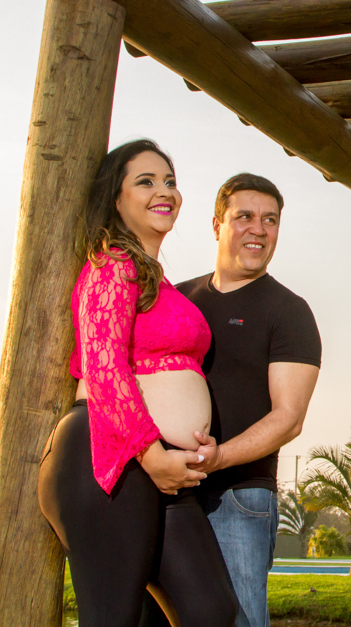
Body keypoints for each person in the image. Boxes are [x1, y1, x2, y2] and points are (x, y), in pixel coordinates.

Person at [38, 139, 237, 627]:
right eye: (146, 182)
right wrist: (153, 457)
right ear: (116, 197)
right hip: (113, 456)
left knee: (211, 612)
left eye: (170, 181)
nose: (163, 191)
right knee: (113, 618)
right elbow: (104, 368)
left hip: (161, 466)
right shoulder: (112, 265)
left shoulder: (157, 280)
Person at [177, 173, 321, 627]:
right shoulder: (176, 300)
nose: (258, 229)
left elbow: (289, 417)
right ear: (217, 224)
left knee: (238, 620)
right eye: (244, 216)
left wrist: (217, 457)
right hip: (166, 489)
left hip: (239, 497)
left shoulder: (289, 311)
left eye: (270, 220)